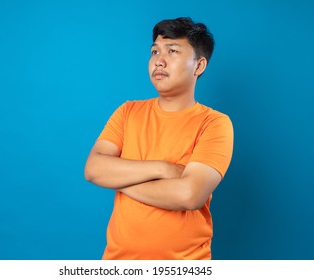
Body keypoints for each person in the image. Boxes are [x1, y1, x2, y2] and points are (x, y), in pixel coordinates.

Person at [84, 17, 233, 260]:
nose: (159, 60)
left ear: (199, 66)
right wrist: (164, 169)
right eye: (155, 51)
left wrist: (117, 179)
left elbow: (189, 195)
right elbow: (93, 169)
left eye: (172, 51)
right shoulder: (127, 112)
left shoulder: (214, 123)